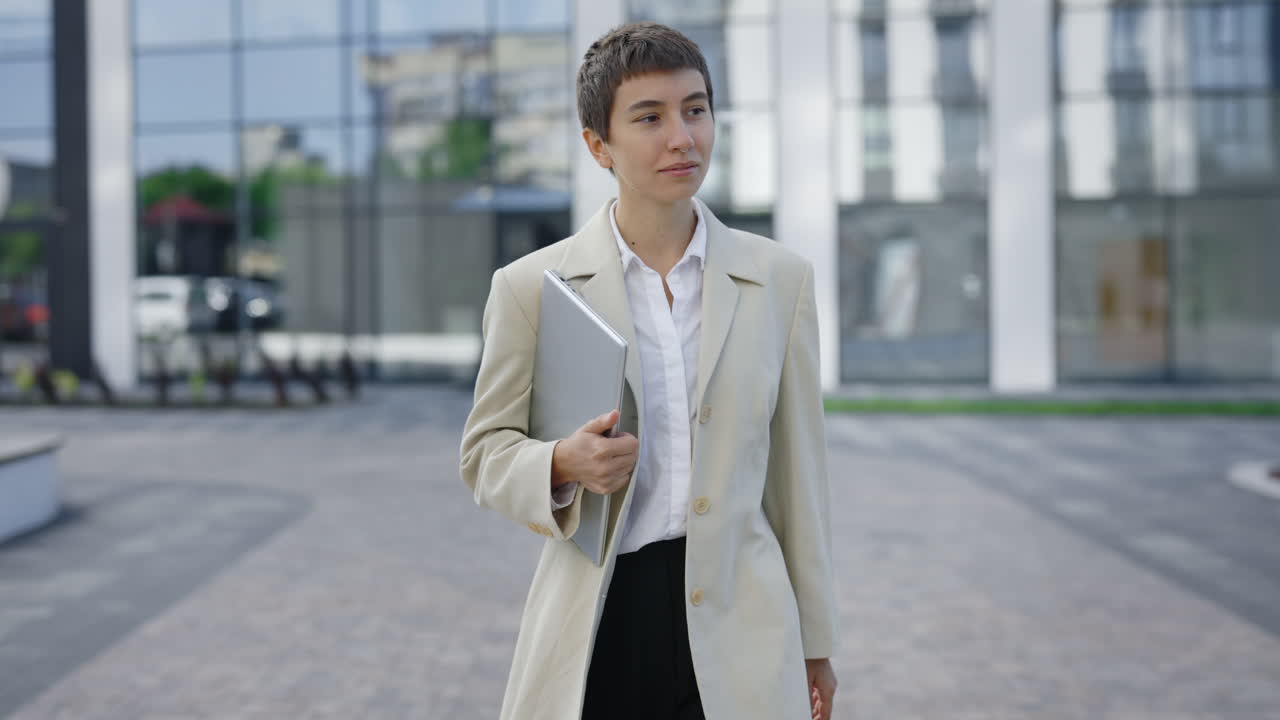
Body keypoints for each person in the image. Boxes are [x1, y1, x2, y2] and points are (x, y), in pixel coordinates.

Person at [459, 22, 839, 720]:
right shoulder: (531, 288)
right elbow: (485, 455)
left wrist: (815, 640)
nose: (682, 137)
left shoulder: (780, 281)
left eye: (696, 109)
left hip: (743, 620)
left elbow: (798, 479)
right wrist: (560, 464)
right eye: (650, 117)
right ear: (597, 145)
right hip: (602, 623)